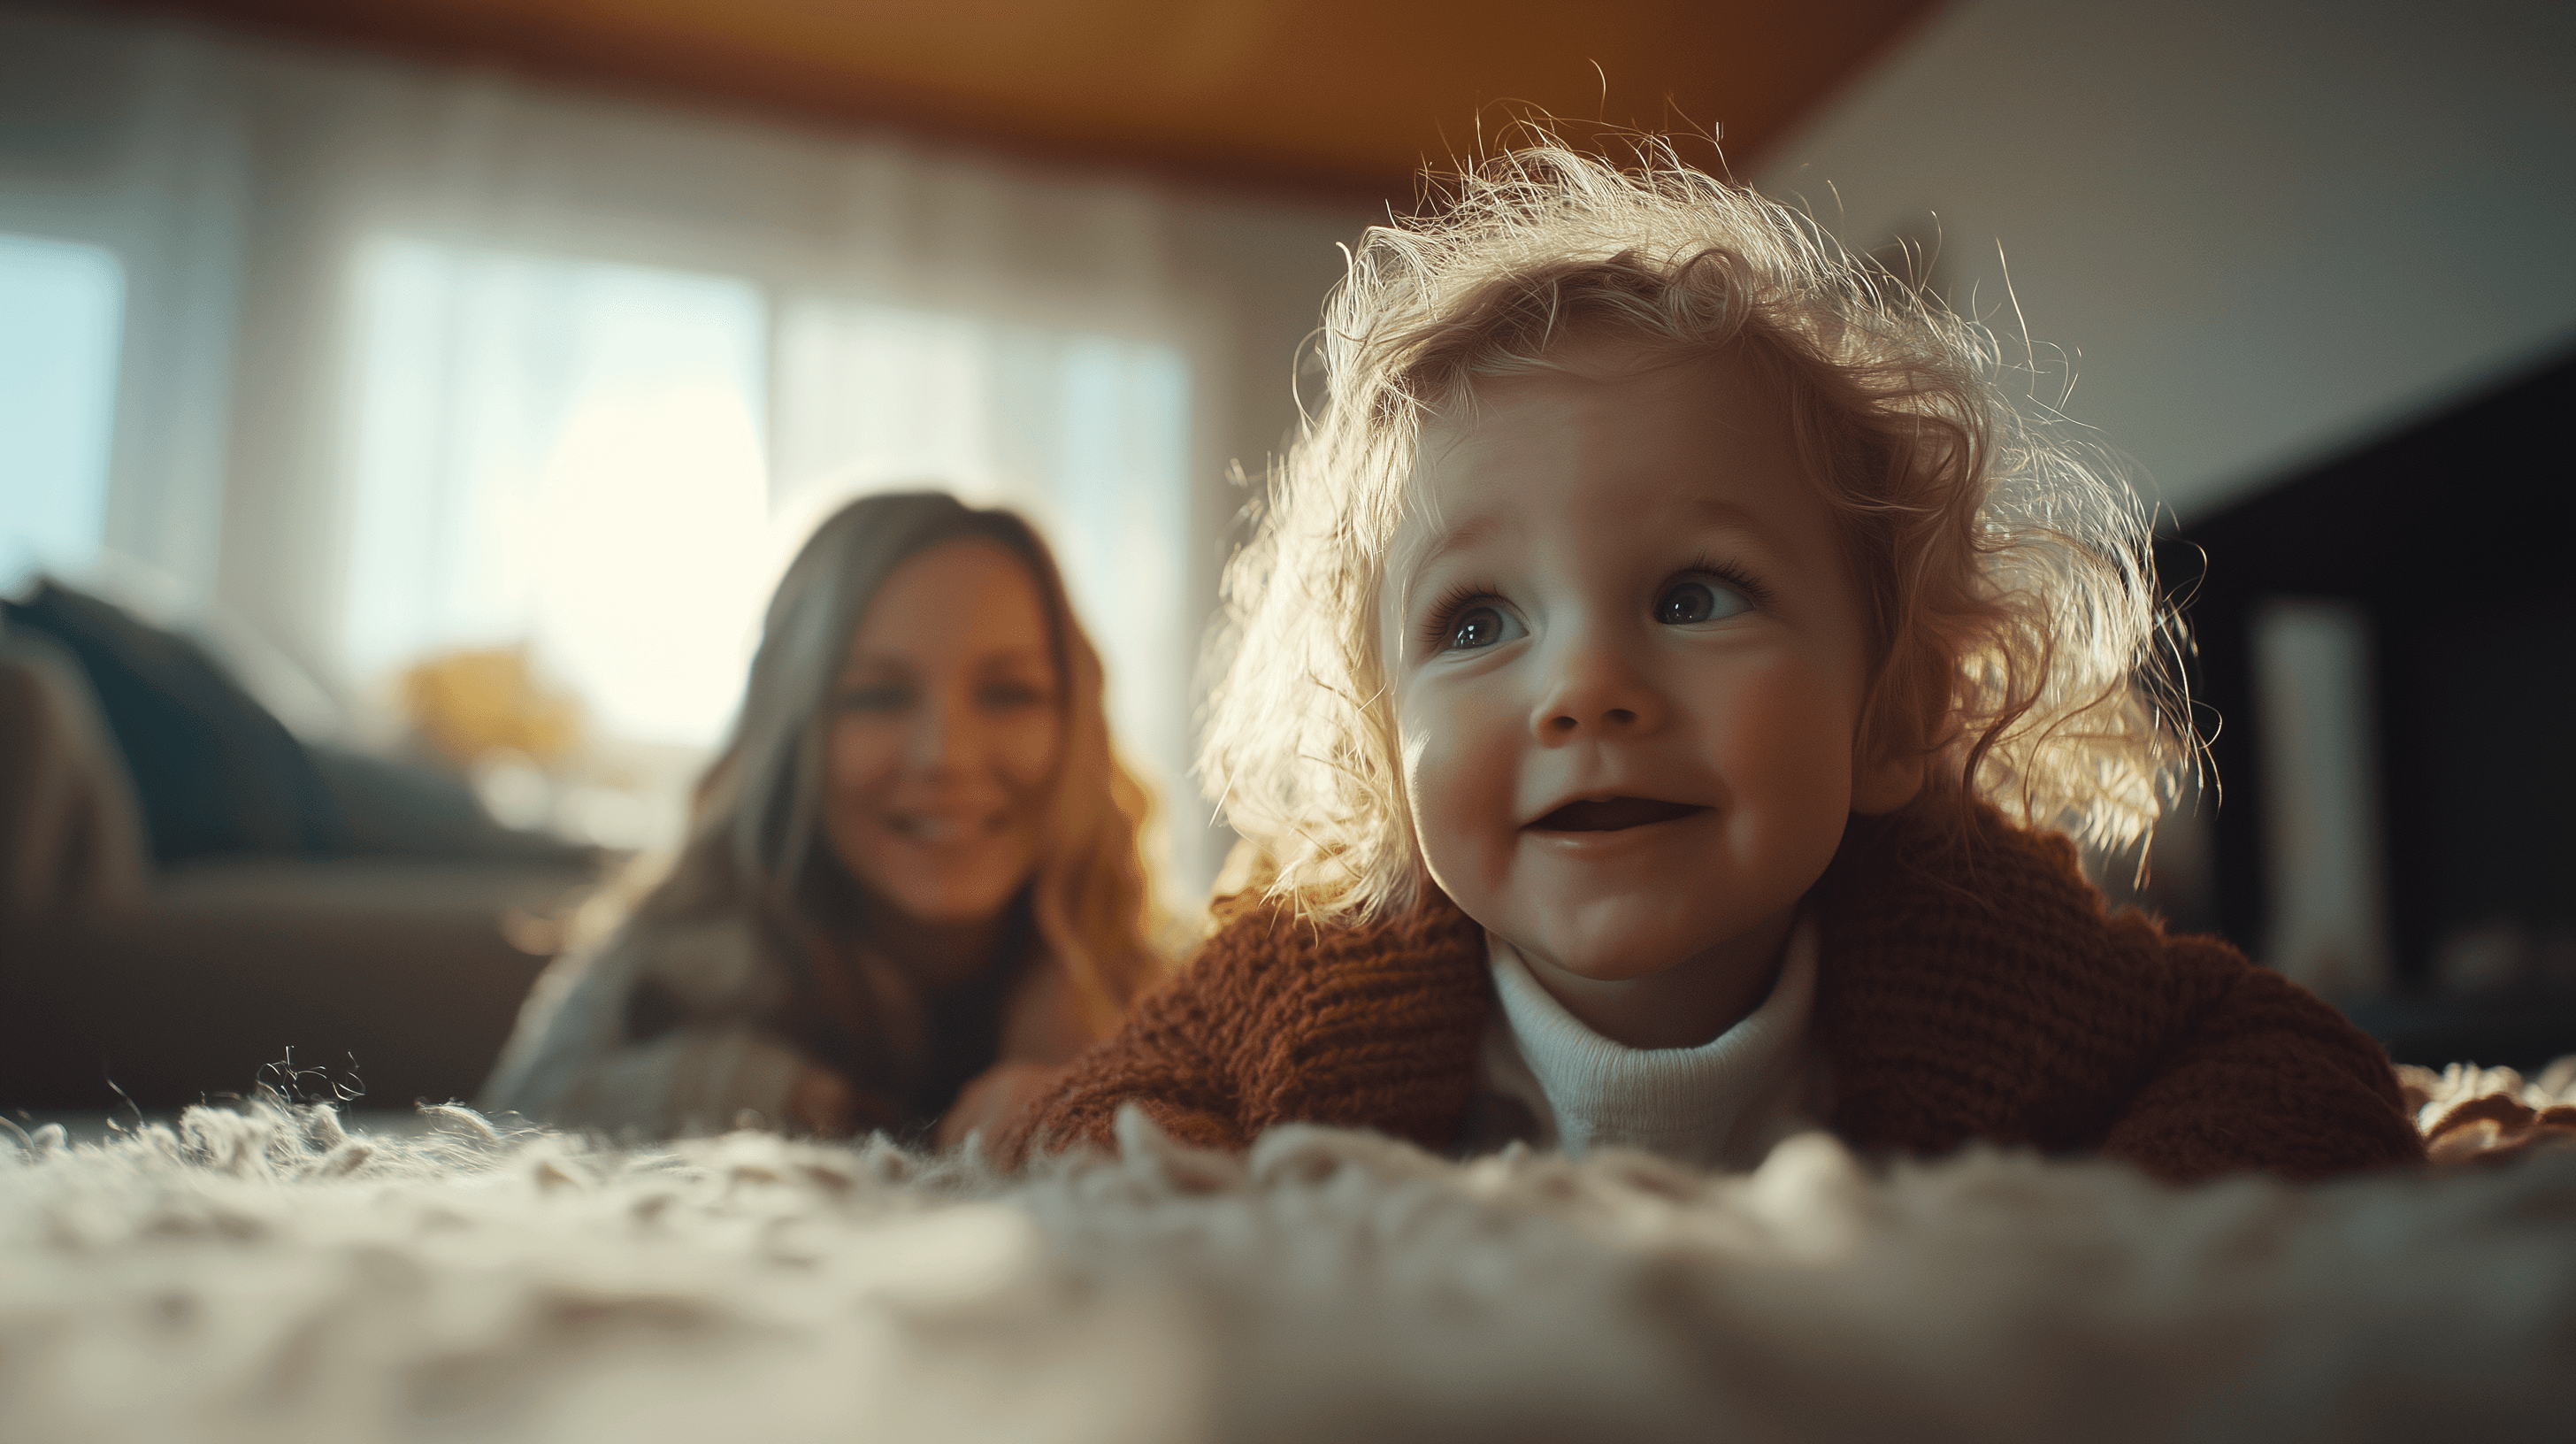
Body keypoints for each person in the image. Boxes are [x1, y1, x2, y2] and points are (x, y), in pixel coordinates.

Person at [1002, 142, 2425, 1183]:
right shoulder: (1323, 976)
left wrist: (2093, 1261)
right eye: (1477, 622)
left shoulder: (1973, 940)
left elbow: (2291, 1070)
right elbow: (1109, 1109)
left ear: (1892, 712)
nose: (1587, 688)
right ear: (1383, 753)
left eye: (1695, 594)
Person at [482, 492, 1169, 1146]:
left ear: (1079, 728)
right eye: (877, 696)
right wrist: (825, 1112)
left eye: (1008, 694)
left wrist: (1098, 1088)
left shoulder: (1156, 980)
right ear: (791, 733)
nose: (945, 755)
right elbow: (511, 1122)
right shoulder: (665, 958)